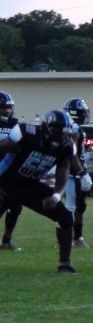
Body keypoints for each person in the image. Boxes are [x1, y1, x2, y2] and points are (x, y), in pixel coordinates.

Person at [0, 110, 77, 273]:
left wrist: (56, 195)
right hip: (6, 183)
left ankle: (64, 264)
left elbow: (63, 171)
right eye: (60, 133)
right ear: (48, 130)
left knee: (65, 217)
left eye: (66, 133)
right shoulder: (27, 134)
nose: (64, 137)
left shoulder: (66, 147)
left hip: (31, 186)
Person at [63, 98, 93, 248]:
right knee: (70, 206)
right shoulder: (73, 128)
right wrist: (81, 172)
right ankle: (63, 239)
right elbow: (71, 153)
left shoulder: (75, 127)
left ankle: (77, 238)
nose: (85, 115)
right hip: (72, 173)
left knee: (80, 206)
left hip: (77, 171)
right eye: (83, 112)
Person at [0, 92, 24, 251]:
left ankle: (6, 241)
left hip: (11, 171)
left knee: (16, 206)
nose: (7, 110)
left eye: (9, 107)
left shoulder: (16, 124)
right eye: (3, 107)